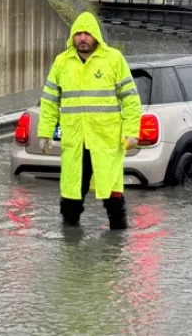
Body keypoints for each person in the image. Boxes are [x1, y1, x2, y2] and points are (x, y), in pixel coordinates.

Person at [37, 11, 143, 230]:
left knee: (113, 195)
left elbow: (131, 99)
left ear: (95, 35)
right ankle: (71, 247)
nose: (82, 38)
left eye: (87, 33)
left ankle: (117, 247)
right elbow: (49, 100)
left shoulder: (113, 59)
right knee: (71, 195)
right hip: (75, 142)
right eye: (78, 34)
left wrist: (132, 131)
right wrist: (45, 133)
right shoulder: (62, 62)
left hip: (106, 142)